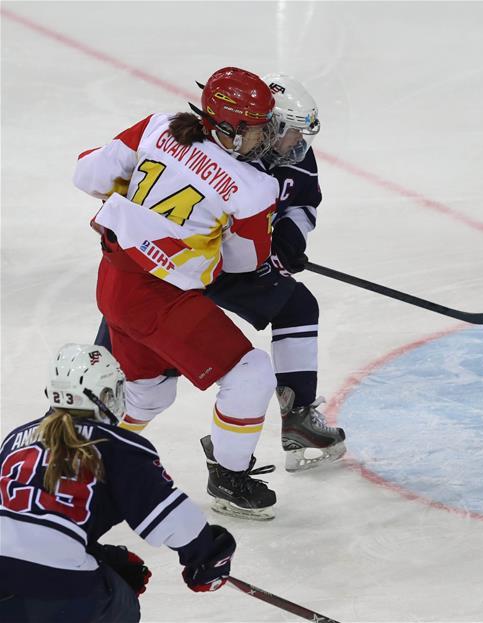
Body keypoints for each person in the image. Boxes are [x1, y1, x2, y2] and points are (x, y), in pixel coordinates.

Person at [95, 72, 346, 472]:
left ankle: (297, 415)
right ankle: (84, 421)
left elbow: (302, 204)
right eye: (291, 133)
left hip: (223, 266)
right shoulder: (218, 152)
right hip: (168, 270)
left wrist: (288, 238)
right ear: (265, 126)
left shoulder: (290, 155)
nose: (299, 145)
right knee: (128, 346)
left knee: (297, 306)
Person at [73, 67, 280, 520]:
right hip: (158, 299)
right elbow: (245, 262)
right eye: (260, 127)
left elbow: (87, 174)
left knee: (149, 393)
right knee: (251, 372)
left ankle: (80, 467)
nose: (264, 137)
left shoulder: (156, 126)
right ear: (231, 127)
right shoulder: (253, 188)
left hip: (114, 284)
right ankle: (229, 476)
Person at [0, 344, 236, 622]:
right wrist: (207, 558)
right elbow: (174, 520)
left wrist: (101, 558)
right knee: (120, 604)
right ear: (105, 395)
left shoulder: (14, 441)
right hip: (58, 589)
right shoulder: (116, 446)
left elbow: (26, 526)